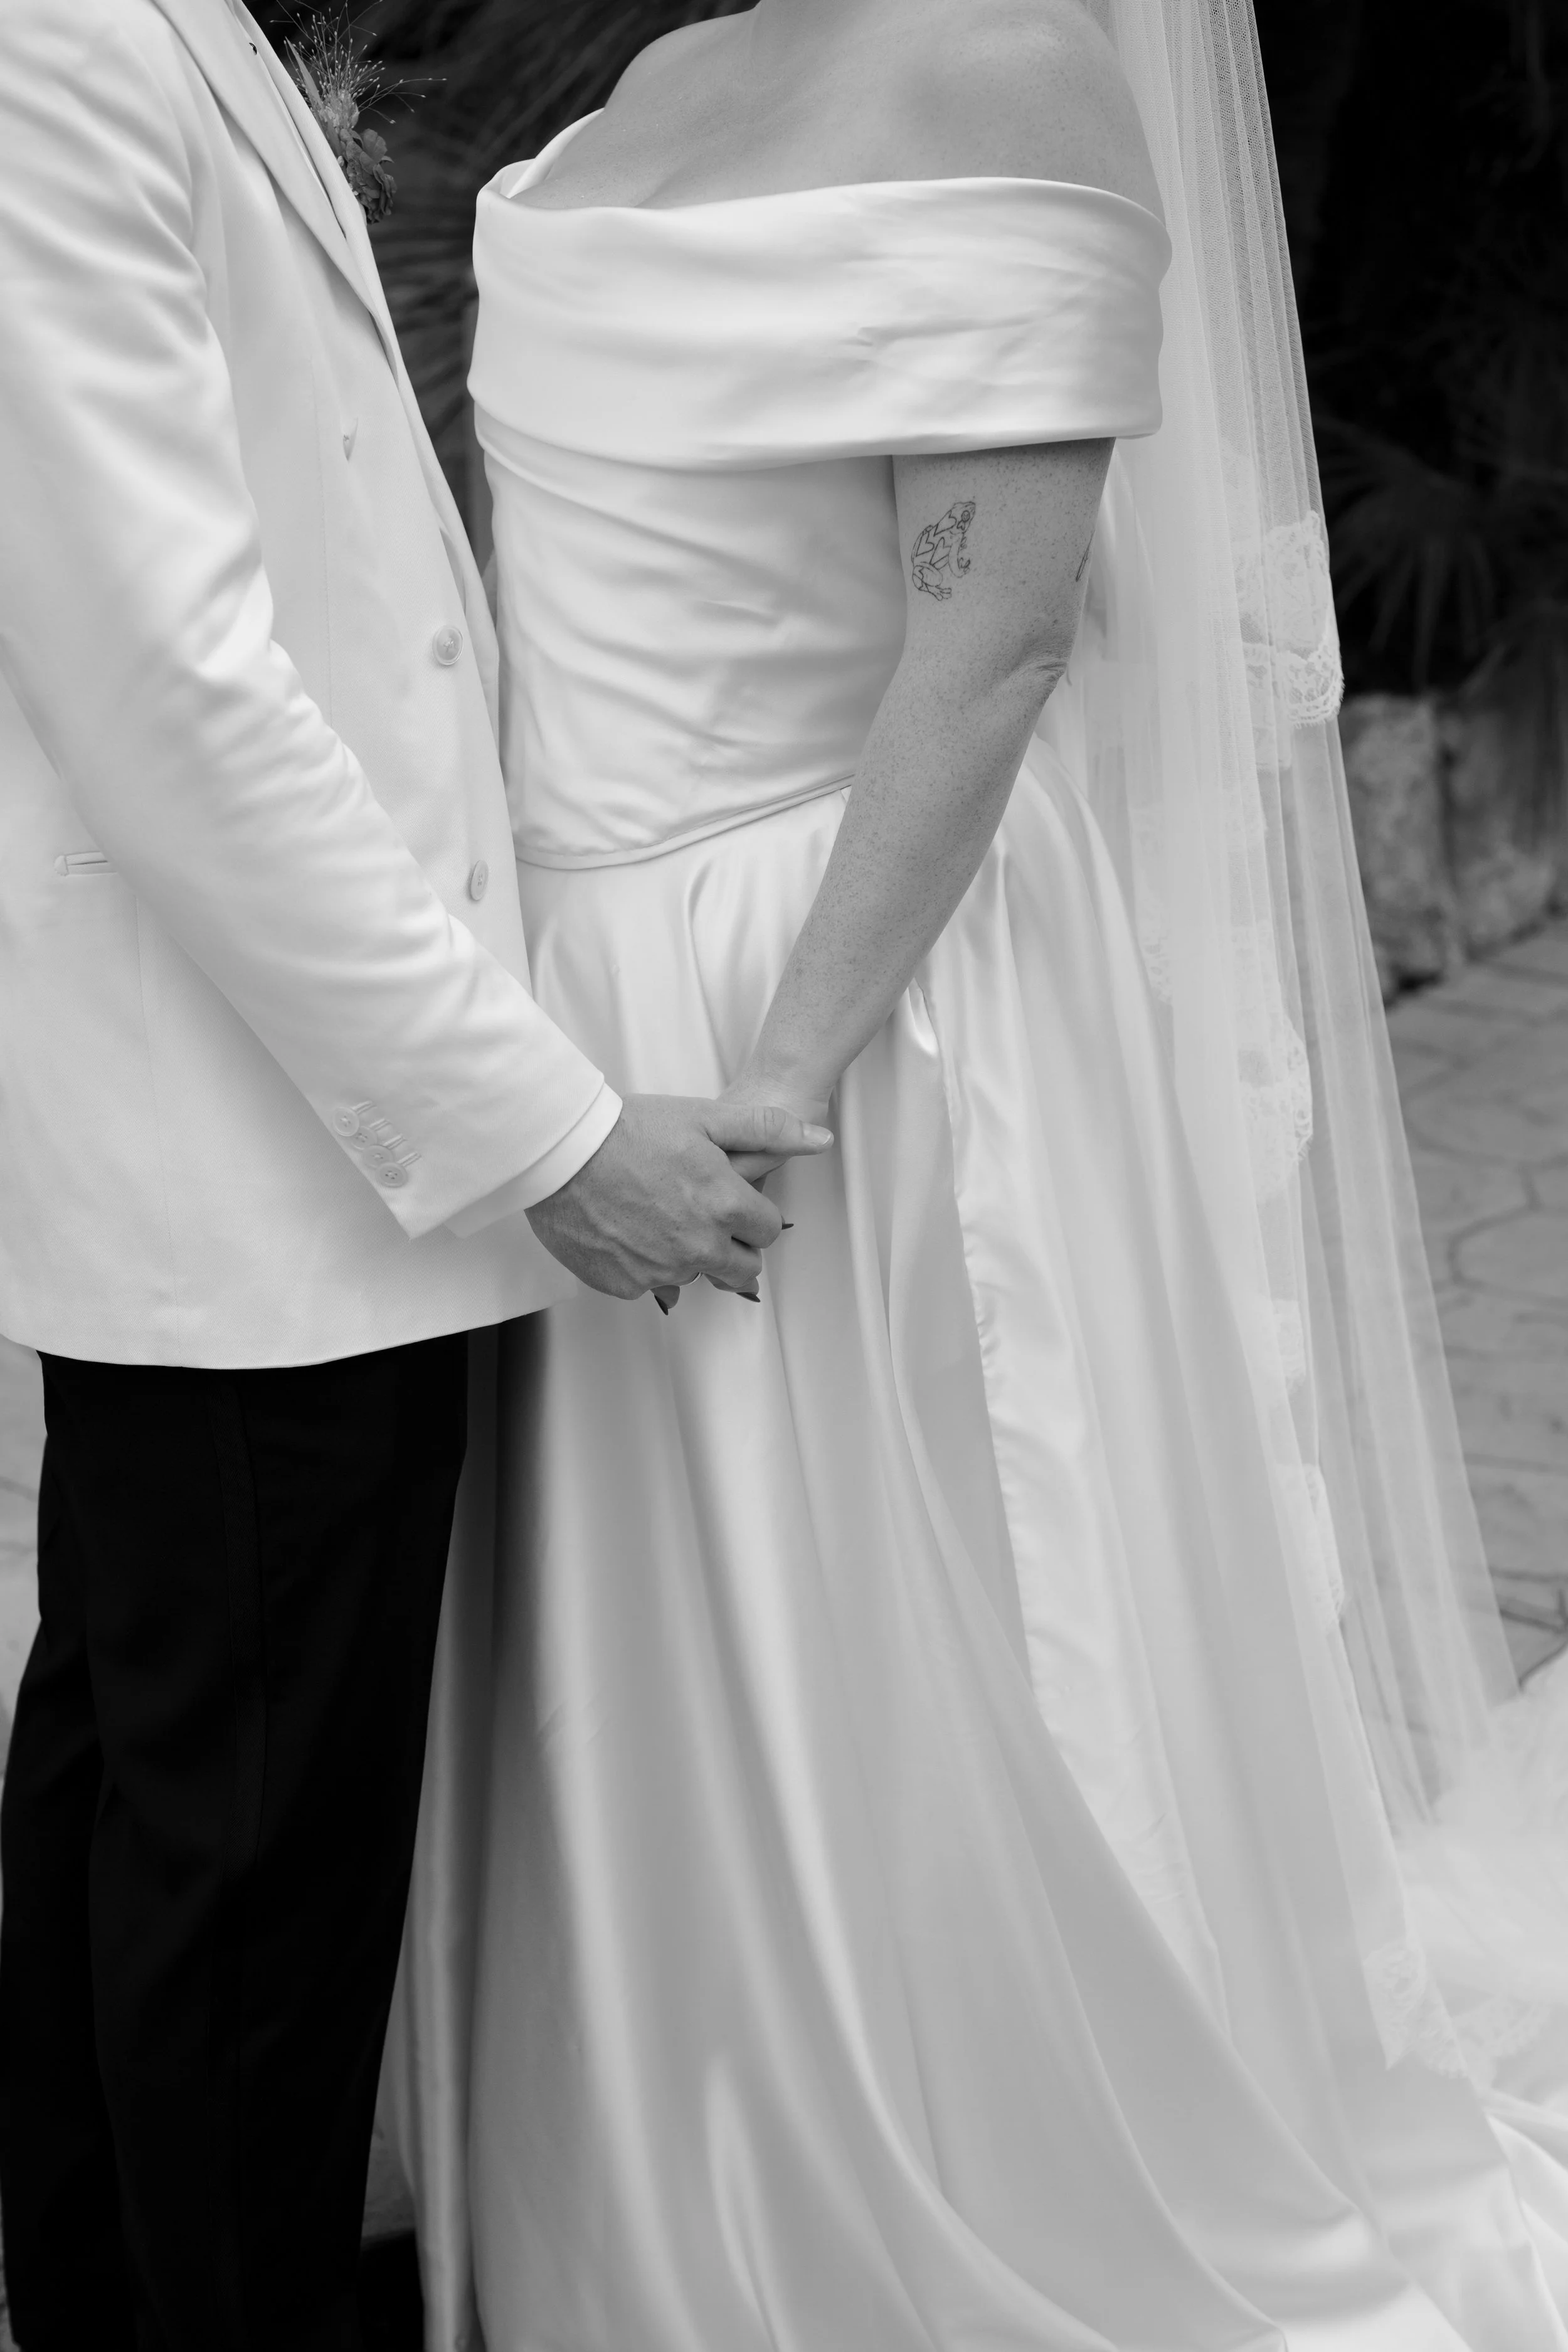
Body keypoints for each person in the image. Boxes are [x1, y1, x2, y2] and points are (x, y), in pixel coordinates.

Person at [383, 0, 1568, 2345]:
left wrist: (783, 1078)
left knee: (894, 1612)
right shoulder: (648, 85)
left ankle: (920, 2157)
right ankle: (664, 2138)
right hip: (579, 1022)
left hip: (825, 1009)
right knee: (646, 1678)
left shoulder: (1009, 63)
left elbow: (994, 636)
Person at [0, 0, 829, 2343]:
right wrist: (544, 1125)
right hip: (264, 1155)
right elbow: (174, 686)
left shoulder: (170, 33)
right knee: (247, 1894)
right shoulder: (54, 50)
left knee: (144, 1818)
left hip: (293, 1146)